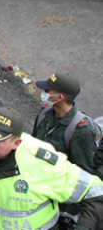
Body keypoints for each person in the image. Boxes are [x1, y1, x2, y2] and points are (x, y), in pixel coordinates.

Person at [32, 73, 103, 228]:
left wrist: (69, 214)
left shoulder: (81, 130)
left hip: (60, 199)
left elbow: (83, 173)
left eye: (48, 91)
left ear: (60, 97)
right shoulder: (44, 115)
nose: (44, 94)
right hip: (37, 189)